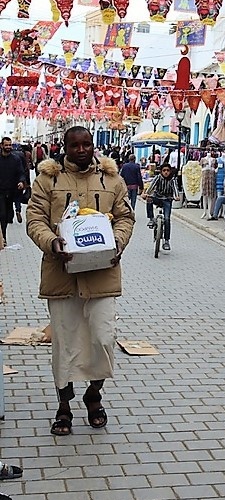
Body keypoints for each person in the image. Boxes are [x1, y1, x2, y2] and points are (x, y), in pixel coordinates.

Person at [25, 126, 135, 436]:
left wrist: (118, 242)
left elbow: (126, 217)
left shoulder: (111, 178)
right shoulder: (48, 179)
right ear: (65, 147)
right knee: (65, 343)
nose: (82, 149)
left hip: (102, 275)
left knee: (103, 337)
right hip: (61, 276)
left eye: (87, 144)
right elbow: (35, 220)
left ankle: (94, 394)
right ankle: (64, 406)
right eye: (75, 145)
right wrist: (51, 242)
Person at [144, 163, 178, 250]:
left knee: (167, 219)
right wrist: (146, 193)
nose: (166, 172)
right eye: (164, 170)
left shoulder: (172, 179)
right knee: (149, 199)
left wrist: (176, 196)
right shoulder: (158, 178)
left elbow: (175, 189)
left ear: (170, 171)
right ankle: (151, 219)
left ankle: (166, 241)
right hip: (157, 197)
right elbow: (152, 186)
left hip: (167, 200)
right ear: (161, 171)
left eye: (167, 170)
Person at [0, 136, 27, 239]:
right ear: (1, 146)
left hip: (11, 191)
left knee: (7, 216)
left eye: (9, 145)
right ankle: (3, 238)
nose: (8, 147)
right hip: (0, 191)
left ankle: (3, 235)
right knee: (2, 214)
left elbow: (21, 172)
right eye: (6, 145)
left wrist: (21, 181)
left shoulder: (15, 159)